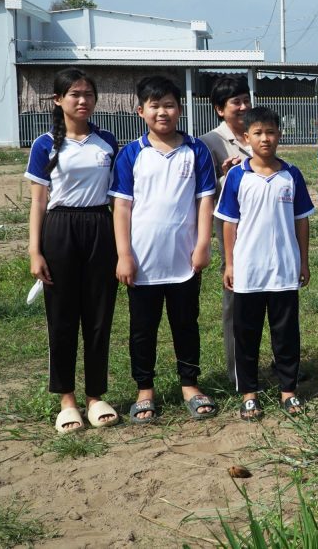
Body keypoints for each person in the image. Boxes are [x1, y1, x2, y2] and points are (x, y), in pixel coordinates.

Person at [110, 75, 219, 424]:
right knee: (143, 328)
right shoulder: (131, 154)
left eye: (169, 105)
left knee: (186, 323)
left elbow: (204, 202)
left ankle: (190, 384)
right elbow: (122, 208)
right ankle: (145, 390)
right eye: (155, 106)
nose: (163, 112)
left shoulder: (196, 150)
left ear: (180, 109)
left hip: (184, 260)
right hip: (143, 262)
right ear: (141, 111)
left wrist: (203, 245)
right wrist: (124, 254)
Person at [25, 68, 120, 433]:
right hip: (60, 229)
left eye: (88, 94)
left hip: (100, 227)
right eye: (74, 94)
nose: (82, 100)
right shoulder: (45, 143)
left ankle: (96, 396)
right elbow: (38, 203)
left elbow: (119, 196)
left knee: (99, 315)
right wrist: (35, 251)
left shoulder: (108, 141)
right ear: (58, 100)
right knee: (62, 317)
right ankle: (67, 399)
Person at [215, 107, 315, 420]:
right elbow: (229, 224)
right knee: (246, 334)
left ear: (279, 135)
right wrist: (230, 265)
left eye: (270, 132)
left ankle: (288, 391)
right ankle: (249, 394)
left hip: (284, 271)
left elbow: (301, 221)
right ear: (246, 138)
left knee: (286, 334)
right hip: (248, 272)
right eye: (257, 133)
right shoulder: (237, 176)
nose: (265, 138)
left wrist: (303, 261)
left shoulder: (291, 175)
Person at [199, 74, 252, 383]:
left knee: (272, 293)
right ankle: (238, 371)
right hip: (232, 227)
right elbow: (206, 192)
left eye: (246, 99)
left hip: (266, 223)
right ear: (220, 109)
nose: (243, 106)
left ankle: (278, 361)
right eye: (236, 102)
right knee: (235, 295)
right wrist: (224, 176)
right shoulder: (210, 143)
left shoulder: (260, 130)